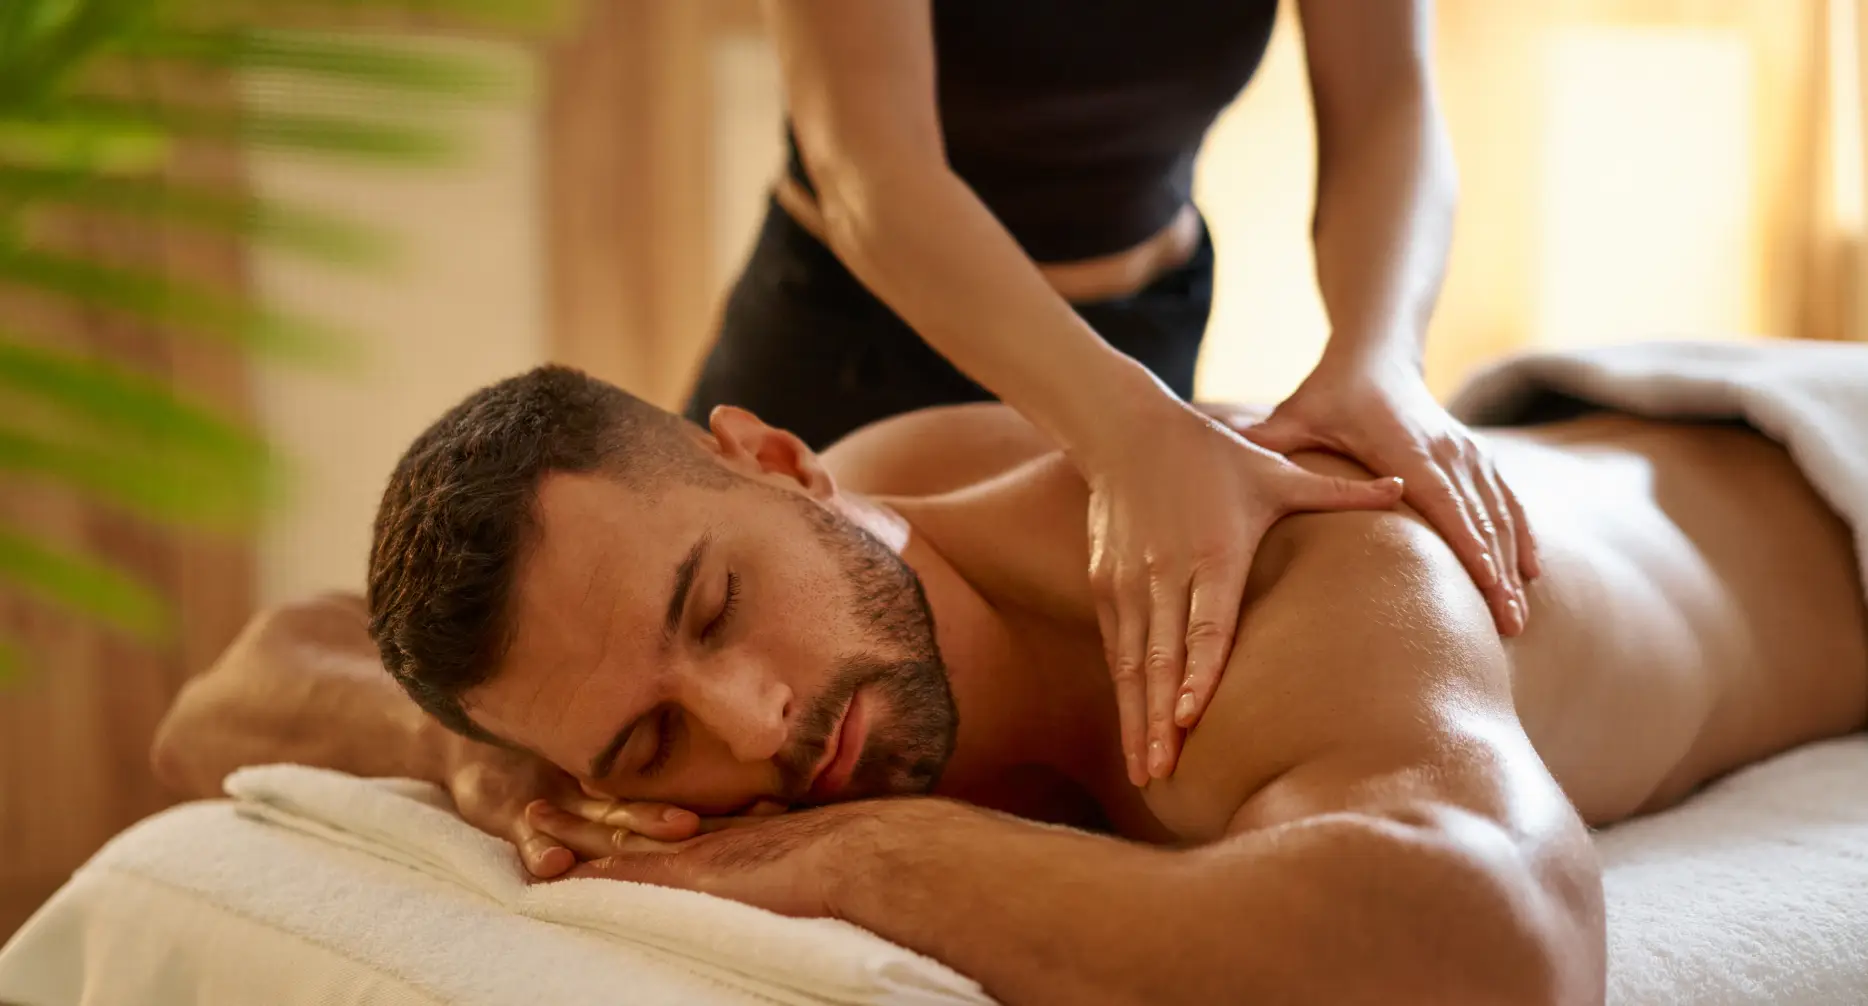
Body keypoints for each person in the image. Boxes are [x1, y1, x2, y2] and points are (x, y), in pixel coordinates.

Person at [156, 363, 1866, 1005]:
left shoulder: (1268, 579)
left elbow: (1499, 946)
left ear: (779, 460)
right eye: (648, 735)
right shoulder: (810, 534)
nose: (754, 723)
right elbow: (227, 693)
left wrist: (838, 862)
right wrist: (490, 766)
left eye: (715, 604)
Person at [686, 1, 1539, 785]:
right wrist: (1124, 432)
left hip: (1141, 344)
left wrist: (1380, 357)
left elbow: (1388, 100)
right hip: (854, 349)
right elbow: (870, 164)